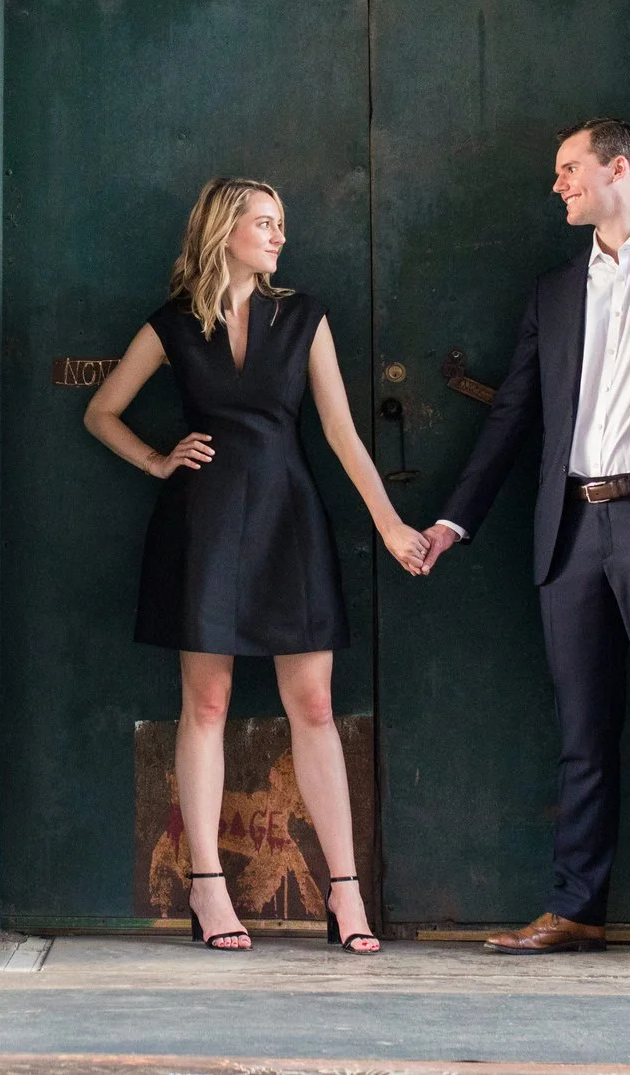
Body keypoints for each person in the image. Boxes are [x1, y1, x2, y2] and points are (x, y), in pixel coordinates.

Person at [422, 120, 630, 977]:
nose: (558, 185)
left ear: (619, 169)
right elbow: (512, 417)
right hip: (571, 528)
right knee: (582, 731)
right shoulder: (554, 291)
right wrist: (452, 520)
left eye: (568, 169)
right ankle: (578, 909)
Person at [85, 177, 432, 954]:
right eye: (265, 222)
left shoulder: (302, 315)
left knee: (313, 703)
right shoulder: (174, 324)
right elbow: (100, 410)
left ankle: (345, 891)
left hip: (288, 521)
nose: (278, 236)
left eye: (282, 222)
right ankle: (208, 885)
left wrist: (390, 523)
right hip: (202, 525)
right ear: (224, 229)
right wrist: (155, 459)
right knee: (204, 704)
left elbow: (342, 432)